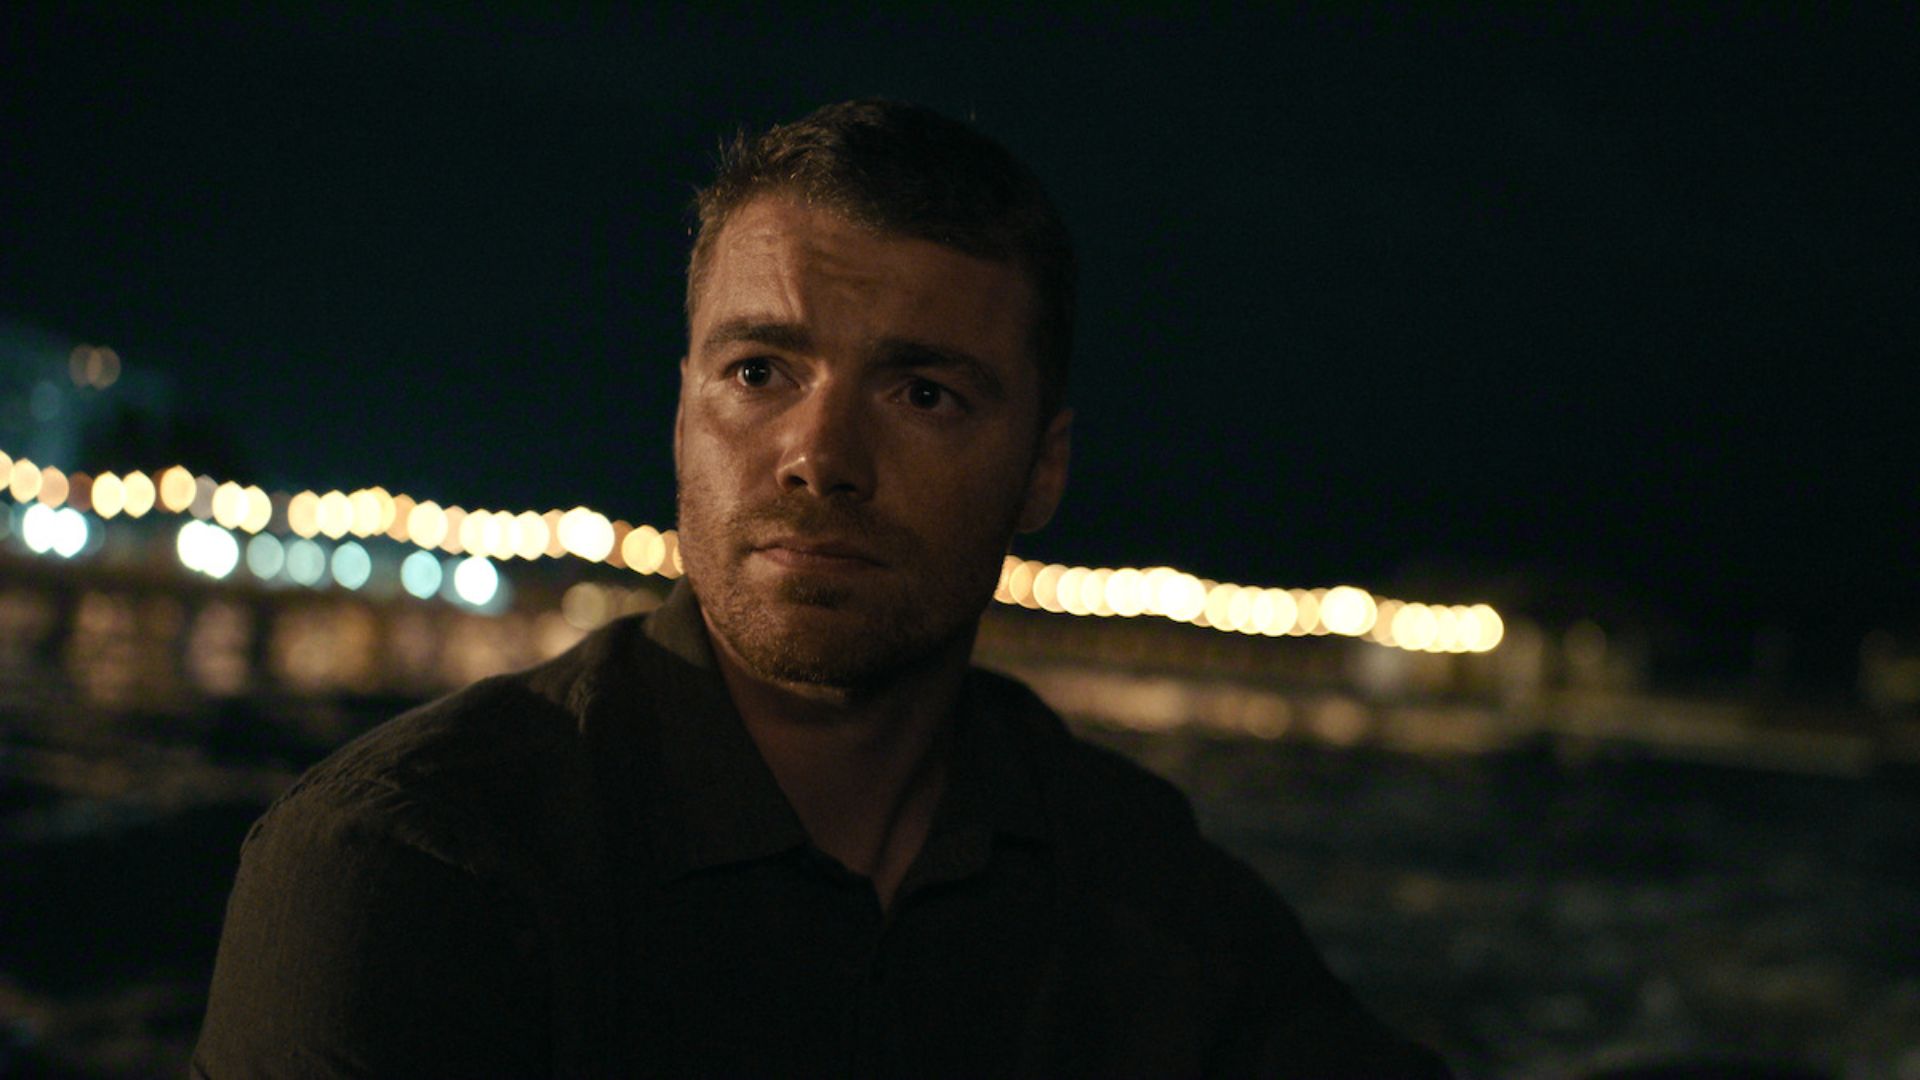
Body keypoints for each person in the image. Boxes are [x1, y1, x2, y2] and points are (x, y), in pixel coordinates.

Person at [193, 99, 1448, 1077]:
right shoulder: (415, 870)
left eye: (924, 394)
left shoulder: (1138, 890)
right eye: (759, 372)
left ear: (1041, 469)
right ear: (682, 412)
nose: (821, 457)